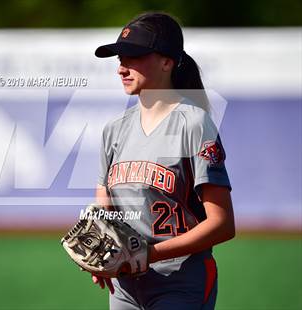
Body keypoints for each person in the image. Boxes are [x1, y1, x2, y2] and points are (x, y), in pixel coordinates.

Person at [92, 12, 235, 309]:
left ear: (167, 61)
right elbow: (104, 201)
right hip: (124, 288)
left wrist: (149, 255)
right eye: (120, 58)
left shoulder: (194, 124)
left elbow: (222, 224)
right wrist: (101, 251)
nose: (121, 68)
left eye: (133, 56)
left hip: (180, 283)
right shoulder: (113, 130)